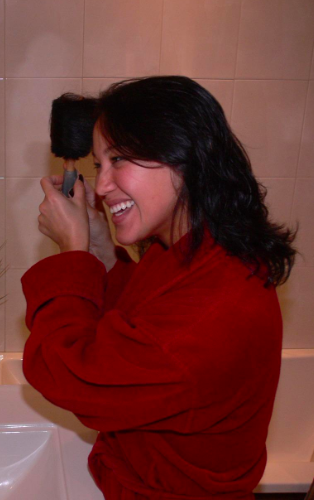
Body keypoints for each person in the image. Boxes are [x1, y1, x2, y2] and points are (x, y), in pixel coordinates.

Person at [22, 76, 296, 500]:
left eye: (120, 159)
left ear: (183, 157)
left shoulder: (216, 310)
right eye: (99, 164)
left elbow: (75, 377)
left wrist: (71, 254)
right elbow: (142, 323)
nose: (104, 184)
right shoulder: (201, 251)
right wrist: (98, 247)